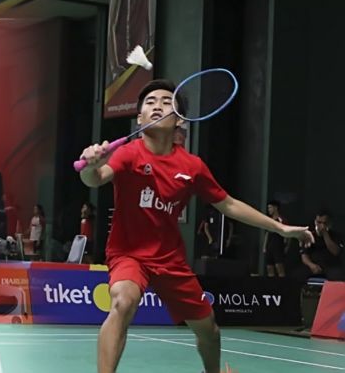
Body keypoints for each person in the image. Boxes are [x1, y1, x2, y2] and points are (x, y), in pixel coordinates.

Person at [78, 79, 314, 373]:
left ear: (179, 119)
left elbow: (228, 204)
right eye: (150, 102)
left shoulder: (192, 166)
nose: (158, 105)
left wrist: (280, 229)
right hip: (129, 253)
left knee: (209, 329)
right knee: (122, 302)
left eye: (166, 102)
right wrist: (91, 166)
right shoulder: (129, 153)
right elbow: (96, 178)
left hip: (170, 259)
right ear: (139, 118)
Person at [297, 209, 345, 281]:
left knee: (338, 276)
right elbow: (304, 255)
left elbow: (335, 252)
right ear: (315, 222)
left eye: (324, 223)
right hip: (313, 265)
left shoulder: (336, 236)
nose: (321, 225)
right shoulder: (309, 235)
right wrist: (311, 265)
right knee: (297, 275)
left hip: (331, 266)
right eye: (319, 222)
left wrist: (325, 234)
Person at [263, 200, 287, 277]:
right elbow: (267, 233)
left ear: (275, 208)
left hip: (278, 246)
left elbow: (287, 234)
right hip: (269, 247)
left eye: (270, 207)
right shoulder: (269, 220)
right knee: (269, 268)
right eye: (268, 208)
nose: (269, 210)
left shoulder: (281, 220)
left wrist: (286, 246)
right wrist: (264, 247)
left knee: (279, 268)